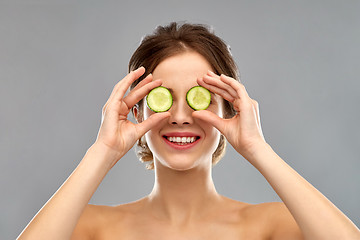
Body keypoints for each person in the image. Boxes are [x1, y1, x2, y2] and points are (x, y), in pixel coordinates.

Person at [18, 22, 360, 240]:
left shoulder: (270, 226)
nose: (181, 116)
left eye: (200, 100)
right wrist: (102, 151)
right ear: (136, 111)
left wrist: (259, 148)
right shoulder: (94, 228)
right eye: (163, 99)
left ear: (231, 109)